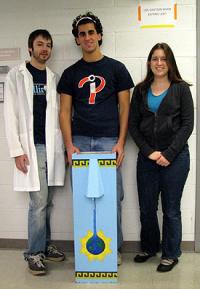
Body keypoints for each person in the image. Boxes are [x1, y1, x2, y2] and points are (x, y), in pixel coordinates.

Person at [57, 11, 134, 265]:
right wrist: (69, 146)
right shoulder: (70, 73)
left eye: (92, 32)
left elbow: (125, 108)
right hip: (79, 141)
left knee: (112, 197)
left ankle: (115, 248)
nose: (88, 37)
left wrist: (121, 142)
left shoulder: (117, 68)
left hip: (108, 141)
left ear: (99, 35)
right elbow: (65, 111)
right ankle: (85, 248)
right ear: (77, 40)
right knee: (82, 197)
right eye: (82, 34)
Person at [4, 29, 66, 276]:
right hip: (32, 147)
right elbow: (10, 115)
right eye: (40, 44)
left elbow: (59, 114)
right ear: (30, 48)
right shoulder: (16, 76)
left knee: (47, 202)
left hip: (52, 146)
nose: (45, 49)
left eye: (48, 45)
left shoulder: (53, 77)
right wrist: (17, 151)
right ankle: (33, 253)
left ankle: (44, 245)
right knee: (38, 203)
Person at [129, 43, 194, 272]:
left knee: (171, 209)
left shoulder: (181, 89)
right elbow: (133, 126)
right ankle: (148, 247)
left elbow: (188, 125)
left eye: (163, 59)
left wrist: (168, 154)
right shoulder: (140, 90)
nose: (159, 63)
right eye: (155, 58)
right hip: (147, 159)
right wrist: (149, 151)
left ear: (170, 62)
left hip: (175, 159)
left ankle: (171, 254)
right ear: (149, 62)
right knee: (146, 208)